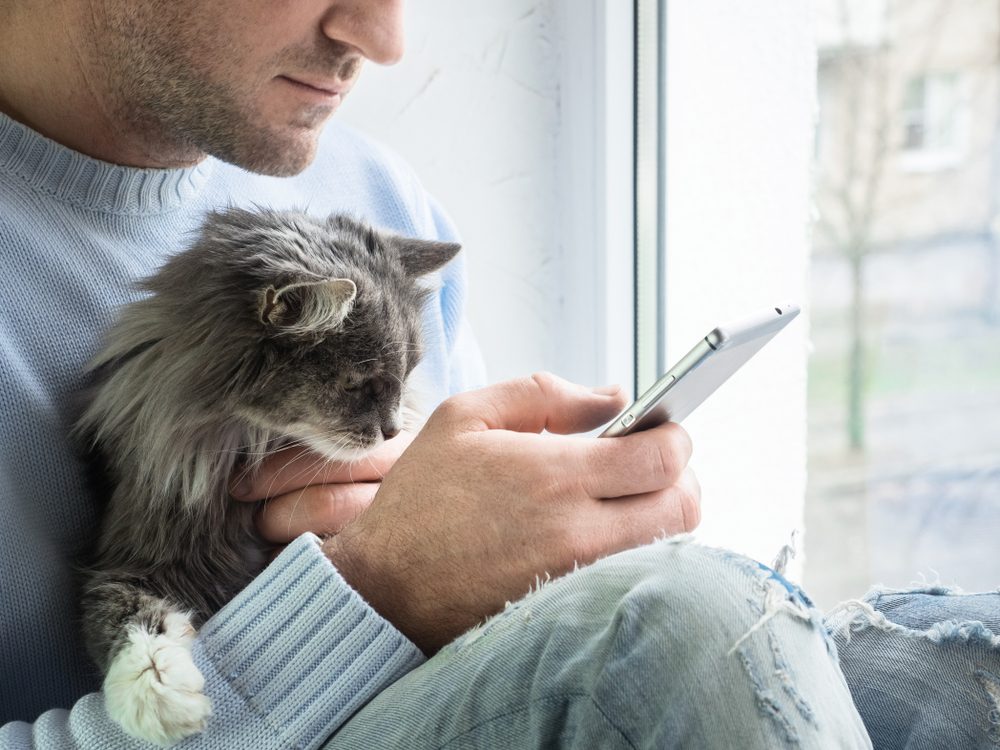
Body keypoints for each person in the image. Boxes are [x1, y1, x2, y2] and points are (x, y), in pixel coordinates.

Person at [0, 0, 898, 747]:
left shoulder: (371, 195)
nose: (385, 40)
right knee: (694, 624)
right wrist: (377, 594)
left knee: (928, 668)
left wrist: (522, 543)